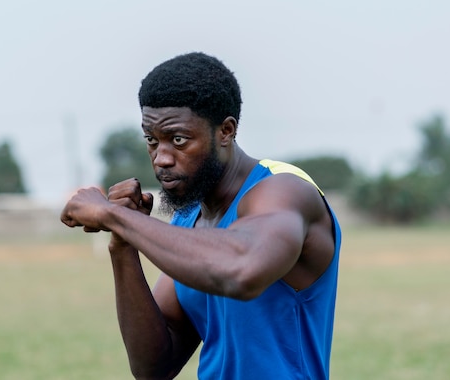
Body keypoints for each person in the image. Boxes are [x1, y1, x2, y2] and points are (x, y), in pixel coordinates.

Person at [61, 52, 341, 380]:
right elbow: (154, 367)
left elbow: (242, 270)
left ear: (225, 131)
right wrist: (123, 246)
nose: (161, 158)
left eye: (178, 140)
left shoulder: (284, 190)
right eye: (152, 141)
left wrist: (113, 215)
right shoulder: (190, 218)